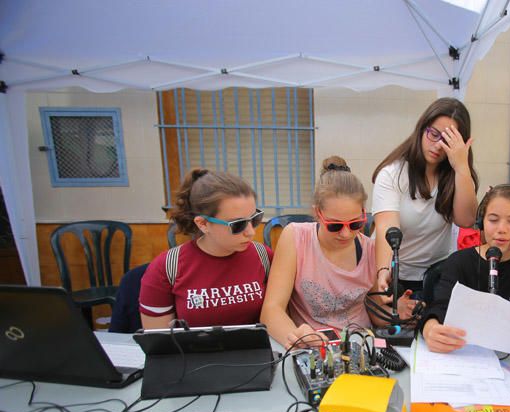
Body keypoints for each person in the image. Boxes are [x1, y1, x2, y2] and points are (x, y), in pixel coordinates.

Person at [261, 157, 416, 349]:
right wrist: (295, 337)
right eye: (334, 225)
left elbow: (375, 311)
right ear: (317, 213)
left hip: (361, 345)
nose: (346, 233)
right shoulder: (295, 237)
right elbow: (271, 310)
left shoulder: (372, 249)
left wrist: (397, 312)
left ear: (363, 212)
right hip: (313, 347)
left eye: (355, 224)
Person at [420, 184, 510, 353]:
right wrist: (430, 328)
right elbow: (438, 307)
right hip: (467, 352)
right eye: (493, 220)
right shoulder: (459, 262)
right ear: (481, 222)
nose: (501, 230)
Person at [371, 97, 479, 299]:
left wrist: (462, 167)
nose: (438, 146)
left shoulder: (459, 176)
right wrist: (383, 271)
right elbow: (386, 228)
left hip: (437, 275)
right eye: (434, 134)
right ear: (422, 129)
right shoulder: (392, 173)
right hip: (395, 275)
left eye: (447, 141)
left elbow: (466, 220)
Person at [139, 169, 271, 328]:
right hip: (193, 352)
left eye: (255, 219)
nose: (251, 232)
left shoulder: (263, 256)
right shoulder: (167, 267)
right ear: (202, 224)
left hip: (255, 351)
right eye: (238, 224)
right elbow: (160, 341)